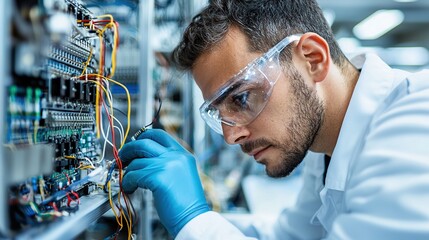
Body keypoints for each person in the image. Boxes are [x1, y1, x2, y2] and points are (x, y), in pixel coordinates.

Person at [119, 0, 429, 239]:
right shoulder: (323, 147)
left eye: (241, 98)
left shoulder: (413, 128)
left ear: (312, 59)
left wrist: (194, 218)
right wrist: (192, 208)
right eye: (217, 112)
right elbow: (289, 237)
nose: (230, 137)